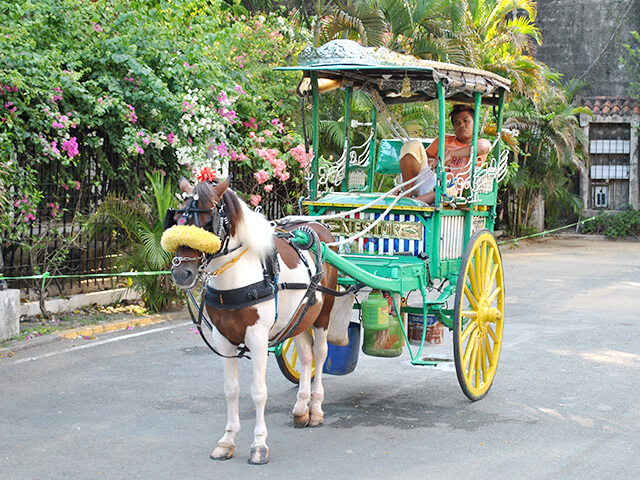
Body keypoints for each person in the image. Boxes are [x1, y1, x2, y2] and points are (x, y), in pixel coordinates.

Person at [398, 104, 491, 204]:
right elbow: (421, 158)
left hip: (449, 190)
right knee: (413, 145)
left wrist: (452, 155)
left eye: (465, 121)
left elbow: (483, 148)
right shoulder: (444, 140)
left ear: (475, 123)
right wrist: (432, 160)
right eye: (457, 123)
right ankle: (406, 194)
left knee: (449, 189)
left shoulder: (480, 143)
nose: (461, 125)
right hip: (427, 178)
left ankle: (411, 203)